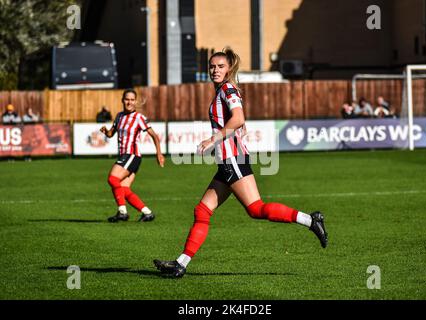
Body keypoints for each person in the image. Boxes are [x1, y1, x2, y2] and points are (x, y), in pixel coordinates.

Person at [154, 48, 328, 278]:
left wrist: (214, 138)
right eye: (212, 66)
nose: (215, 70)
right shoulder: (223, 91)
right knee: (202, 210)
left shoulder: (227, 88)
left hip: (232, 159)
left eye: (220, 66)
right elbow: (236, 120)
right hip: (227, 161)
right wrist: (234, 129)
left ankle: (310, 220)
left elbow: (239, 117)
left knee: (255, 209)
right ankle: (180, 264)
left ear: (229, 69)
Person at [100, 89, 165, 222]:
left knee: (113, 179)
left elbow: (154, 136)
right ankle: (147, 213)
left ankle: (122, 212)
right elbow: (112, 133)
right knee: (124, 189)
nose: (129, 102)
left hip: (132, 155)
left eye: (132, 100)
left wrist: (159, 153)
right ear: (122, 100)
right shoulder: (119, 116)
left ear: (135, 102)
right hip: (125, 156)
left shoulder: (139, 118)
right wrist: (106, 132)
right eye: (127, 99)